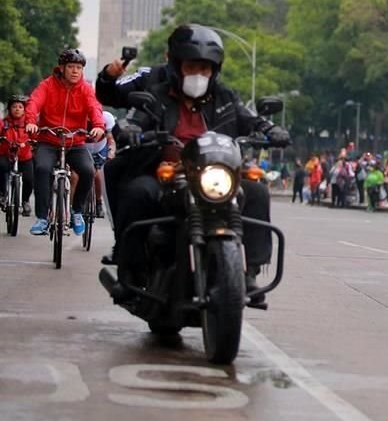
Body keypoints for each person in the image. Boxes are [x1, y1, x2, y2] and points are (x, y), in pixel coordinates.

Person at [95, 25, 288, 303]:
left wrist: (271, 130)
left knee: (257, 192)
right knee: (138, 192)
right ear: (176, 65)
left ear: (214, 70)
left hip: (216, 172)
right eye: (192, 67)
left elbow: (250, 118)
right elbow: (133, 118)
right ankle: (131, 270)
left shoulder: (225, 97)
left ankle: (249, 273)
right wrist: (131, 129)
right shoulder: (157, 95)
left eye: (205, 69)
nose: (199, 74)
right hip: (169, 175)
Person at [26, 49, 105, 236]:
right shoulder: (47, 85)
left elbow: (94, 107)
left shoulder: (85, 89)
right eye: (71, 67)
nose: (75, 71)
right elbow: (34, 102)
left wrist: (98, 125)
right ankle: (42, 218)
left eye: (79, 67)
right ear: (61, 68)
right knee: (42, 169)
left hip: (75, 141)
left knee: (88, 171)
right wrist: (30, 121)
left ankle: (77, 211)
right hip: (49, 140)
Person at [0, 95, 35, 217]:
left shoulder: (29, 124)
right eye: (14, 106)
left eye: (20, 107)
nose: (17, 109)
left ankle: (25, 201)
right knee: (2, 167)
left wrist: (34, 142)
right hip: (6, 155)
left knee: (29, 179)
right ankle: (3, 194)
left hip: (24, 156)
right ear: (9, 109)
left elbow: (36, 137)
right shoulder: (3, 123)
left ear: (24, 110)